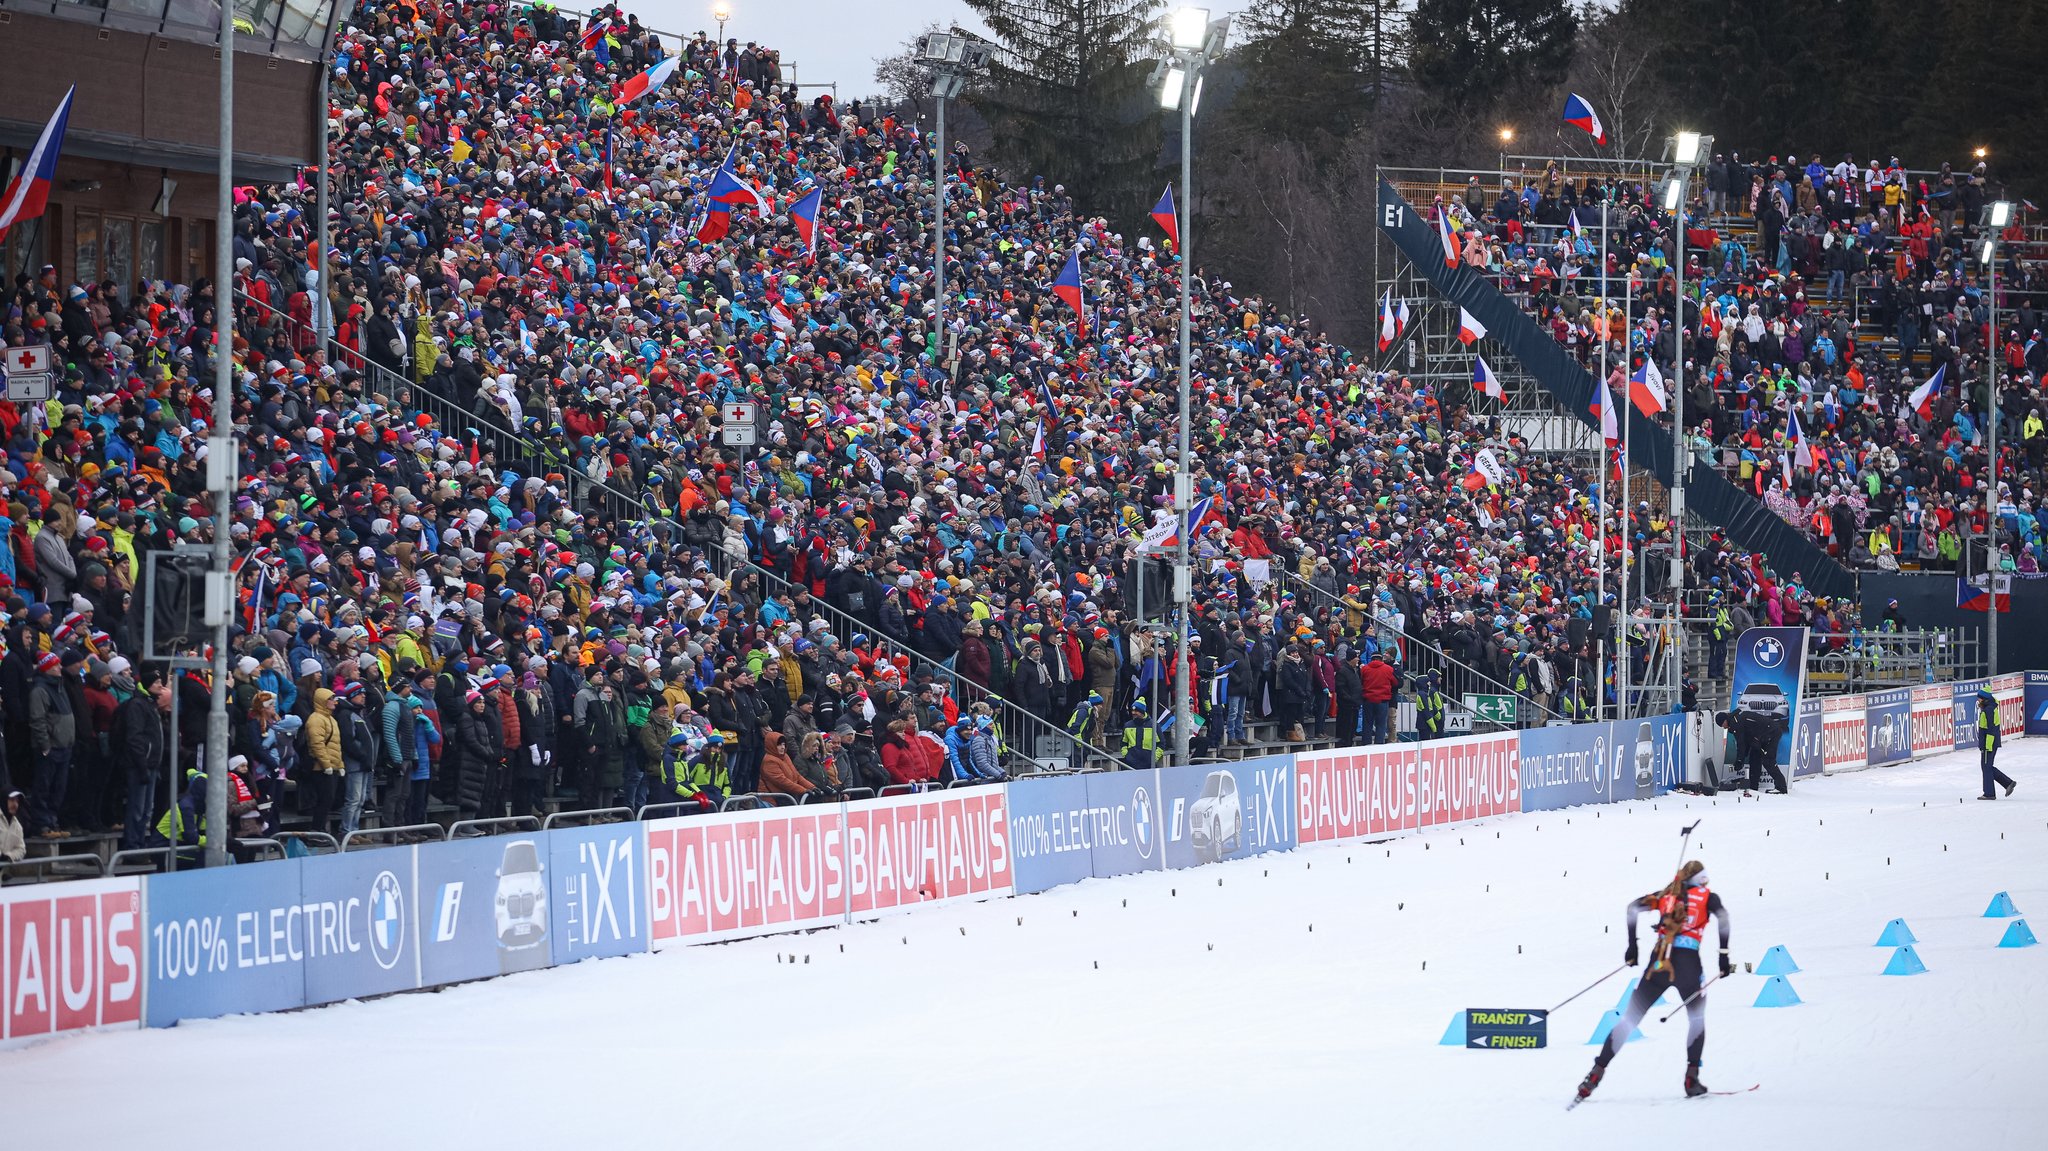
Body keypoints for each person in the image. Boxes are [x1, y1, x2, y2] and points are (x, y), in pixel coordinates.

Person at [1577, 861, 1732, 1103]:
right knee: (1696, 1019)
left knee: (1630, 1019)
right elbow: (1723, 918)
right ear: (1701, 879)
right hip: (1688, 964)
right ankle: (1692, 1078)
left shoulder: (1665, 896)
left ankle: (1595, 1074)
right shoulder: (1708, 897)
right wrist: (1723, 955)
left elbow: (1632, 908)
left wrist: (1632, 946)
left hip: (1658, 963)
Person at [1733, 699, 1788, 794]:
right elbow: (1745, 741)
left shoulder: (1739, 721)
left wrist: (1740, 759)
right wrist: (1742, 756)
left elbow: (1741, 742)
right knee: (1754, 759)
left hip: (1771, 733)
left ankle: (1781, 788)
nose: (1724, 727)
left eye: (1722, 725)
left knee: (1768, 761)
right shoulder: (1739, 719)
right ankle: (1753, 787)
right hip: (1761, 737)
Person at [1977, 688, 2017, 800]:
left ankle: (1989, 793)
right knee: (1987, 767)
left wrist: (1987, 745)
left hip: (1989, 743)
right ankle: (2008, 783)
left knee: (1986, 767)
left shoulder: (1988, 710)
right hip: (1990, 742)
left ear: (1984, 699)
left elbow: (1991, 729)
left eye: (1979, 698)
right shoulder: (1990, 708)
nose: (1978, 700)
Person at [1360, 652, 1398, 744]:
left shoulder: (1365, 669)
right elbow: (1395, 683)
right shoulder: (1388, 669)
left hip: (1368, 699)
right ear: (1381, 659)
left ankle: (1366, 744)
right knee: (1381, 725)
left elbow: (1361, 681)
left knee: (1367, 724)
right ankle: (1379, 745)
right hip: (1382, 700)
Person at [1, 790, 26, 862]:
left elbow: (21, 849)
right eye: (12, 800)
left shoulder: (18, 826)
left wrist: (9, 856)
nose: (15, 804)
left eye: (17, 801)